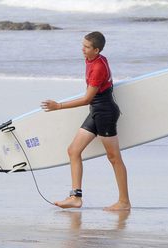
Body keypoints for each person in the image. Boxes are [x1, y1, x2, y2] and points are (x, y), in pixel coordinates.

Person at [41, 31, 131, 211]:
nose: (82, 49)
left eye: (87, 47)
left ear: (96, 50)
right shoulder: (93, 59)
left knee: (114, 158)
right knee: (73, 150)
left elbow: (87, 99)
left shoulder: (98, 67)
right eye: (83, 45)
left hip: (104, 113)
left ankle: (124, 202)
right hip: (96, 112)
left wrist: (58, 106)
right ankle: (75, 197)